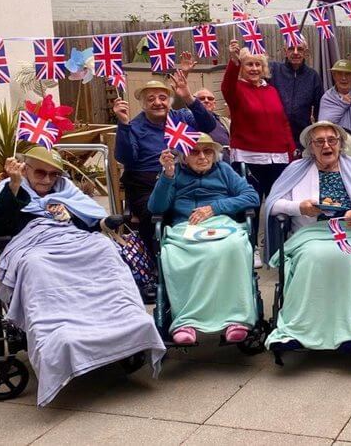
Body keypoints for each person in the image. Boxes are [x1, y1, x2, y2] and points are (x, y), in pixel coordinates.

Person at [0, 147, 164, 407]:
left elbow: (89, 221)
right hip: (34, 246)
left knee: (105, 249)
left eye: (53, 174)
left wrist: (100, 222)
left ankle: (126, 321)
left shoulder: (65, 189)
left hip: (73, 241)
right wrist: (14, 183)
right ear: (26, 168)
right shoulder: (12, 186)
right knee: (36, 265)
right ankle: (58, 334)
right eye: (40, 172)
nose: (47, 179)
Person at [262, 121, 351, 359]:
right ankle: (298, 330)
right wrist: (298, 207)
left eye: (332, 140)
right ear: (310, 147)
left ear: (340, 144)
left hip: (350, 232)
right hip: (311, 234)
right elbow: (272, 205)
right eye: (319, 141)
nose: (326, 145)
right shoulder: (295, 169)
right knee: (313, 258)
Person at [147, 134, 261, 345]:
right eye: (194, 151)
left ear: (215, 154)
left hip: (222, 224)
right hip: (185, 227)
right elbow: (156, 208)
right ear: (183, 156)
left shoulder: (224, 171)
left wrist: (215, 208)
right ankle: (186, 321)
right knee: (177, 253)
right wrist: (168, 176)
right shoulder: (175, 173)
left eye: (207, 151)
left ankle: (236, 319)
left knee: (235, 245)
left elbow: (251, 197)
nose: (202, 156)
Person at [114, 55, 217, 244]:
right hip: (148, 185)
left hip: (184, 180)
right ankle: (160, 263)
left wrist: (188, 97)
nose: (157, 103)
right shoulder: (134, 126)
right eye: (151, 99)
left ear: (169, 101)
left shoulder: (180, 117)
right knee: (157, 216)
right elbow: (126, 158)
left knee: (201, 211)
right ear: (143, 103)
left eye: (162, 98)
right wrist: (123, 124)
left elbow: (209, 125)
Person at [222, 40, 296, 208]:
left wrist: (291, 151)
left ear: (264, 68)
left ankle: (274, 236)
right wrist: (233, 62)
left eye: (258, 64)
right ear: (242, 67)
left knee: (278, 208)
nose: (254, 68)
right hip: (248, 159)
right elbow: (226, 87)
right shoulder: (237, 89)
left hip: (278, 159)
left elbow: (283, 123)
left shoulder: (271, 90)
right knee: (250, 208)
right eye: (249, 64)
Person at [268, 39, 324, 150]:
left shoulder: (313, 76)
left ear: (306, 53)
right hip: (275, 136)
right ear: (285, 51)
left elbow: (320, 108)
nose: (295, 52)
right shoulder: (273, 70)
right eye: (290, 48)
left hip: (302, 138)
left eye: (300, 49)